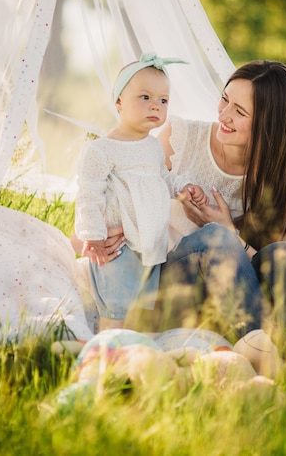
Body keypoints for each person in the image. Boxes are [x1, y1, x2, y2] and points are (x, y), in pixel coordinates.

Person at [105, 59, 286, 355]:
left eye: (240, 111)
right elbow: (125, 194)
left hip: (242, 299)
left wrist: (231, 233)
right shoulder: (181, 139)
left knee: (282, 254)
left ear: (268, 125)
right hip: (172, 286)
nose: (224, 114)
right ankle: (265, 357)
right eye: (224, 99)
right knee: (213, 240)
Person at [75, 52, 208, 332]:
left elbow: (161, 178)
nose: (155, 106)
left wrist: (183, 187)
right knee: (116, 304)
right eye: (145, 97)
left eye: (163, 100)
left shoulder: (152, 147)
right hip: (117, 244)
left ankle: (131, 351)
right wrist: (94, 235)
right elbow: (88, 195)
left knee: (139, 309)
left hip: (148, 243)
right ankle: (107, 348)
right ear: (119, 102)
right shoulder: (102, 150)